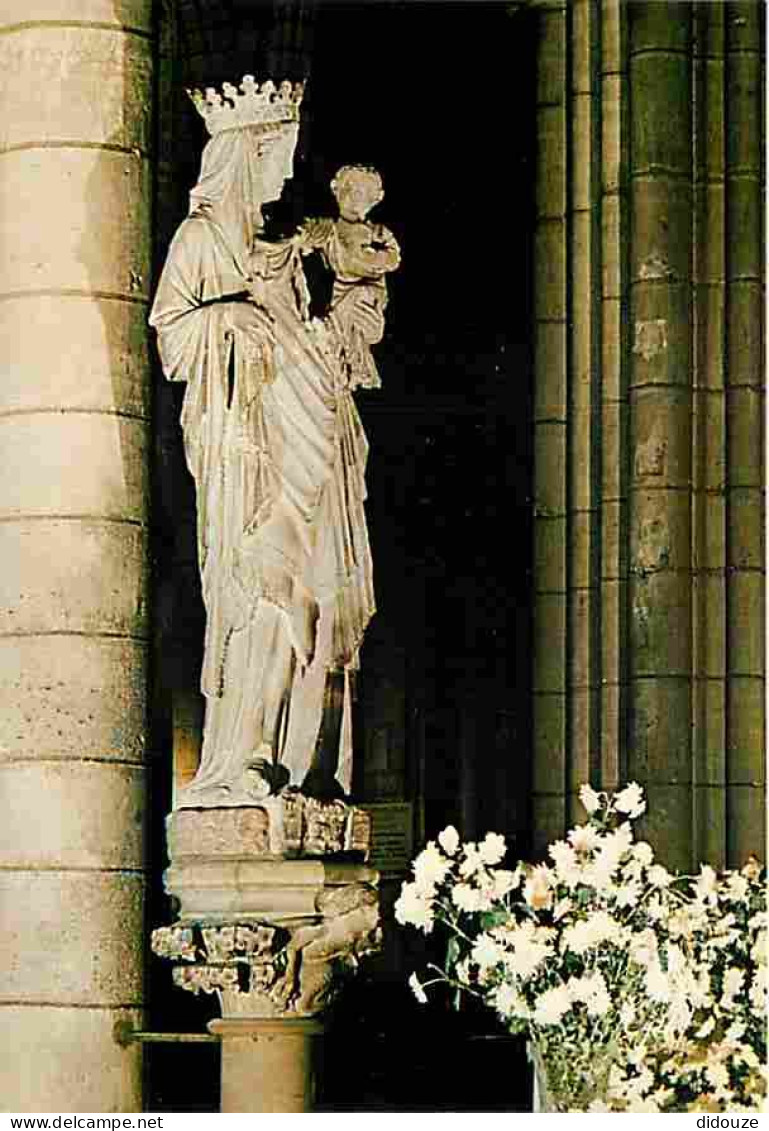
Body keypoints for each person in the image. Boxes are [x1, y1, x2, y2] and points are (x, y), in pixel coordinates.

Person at [149, 77, 390, 806]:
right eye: (273, 151)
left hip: (309, 430)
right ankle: (245, 752)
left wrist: (344, 301)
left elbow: (346, 317)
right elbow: (171, 333)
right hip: (246, 448)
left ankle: (304, 764)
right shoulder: (202, 240)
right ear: (240, 154)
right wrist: (228, 317)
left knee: (316, 594)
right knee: (261, 589)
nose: (284, 170)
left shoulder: (289, 251)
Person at [293, 164, 401, 390]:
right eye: (349, 187)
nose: (353, 196)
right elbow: (301, 239)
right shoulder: (327, 229)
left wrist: (377, 258)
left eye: (362, 192)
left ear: (376, 198)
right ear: (335, 188)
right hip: (338, 297)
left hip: (369, 292)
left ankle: (355, 360)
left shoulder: (377, 232)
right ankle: (346, 353)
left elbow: (393, 257)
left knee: (362, 306)